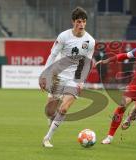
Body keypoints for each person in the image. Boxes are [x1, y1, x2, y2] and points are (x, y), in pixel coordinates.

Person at [39, 6, 95, 148]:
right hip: (58, 75)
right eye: (78, 22)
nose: (81, 25)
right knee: (50, 111)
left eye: (83, 22)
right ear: (73, 22)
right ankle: (51, 118)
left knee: (64, 109)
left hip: (74, 79)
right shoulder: (63, 36)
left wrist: (81, 81)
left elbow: (87, 62)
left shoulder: (90, 41)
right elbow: (52, 55)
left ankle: (47, 138)